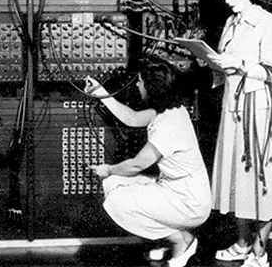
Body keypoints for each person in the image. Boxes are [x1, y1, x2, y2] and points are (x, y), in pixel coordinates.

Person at [205, 0, 272, 267]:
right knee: (237, 180)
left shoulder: (267, 23)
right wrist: (212, 62)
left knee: (263, 181)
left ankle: (260, 251)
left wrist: (239, 64)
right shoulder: (231, 22)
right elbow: (226, 67)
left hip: (259, 111)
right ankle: (243, 243)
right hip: (232, 109)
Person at [85, 59, 211, 267]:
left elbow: (136, 165)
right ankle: (172, 238)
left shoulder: (168, 124)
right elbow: (132, 118)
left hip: (189, 203)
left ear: (152, 88)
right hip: (176, 190)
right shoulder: (169, 110)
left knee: (117, 201)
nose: (137, 85)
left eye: (141, 82)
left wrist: (107, 169)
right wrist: (100, 92)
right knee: (112, 183)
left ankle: (180, 241)